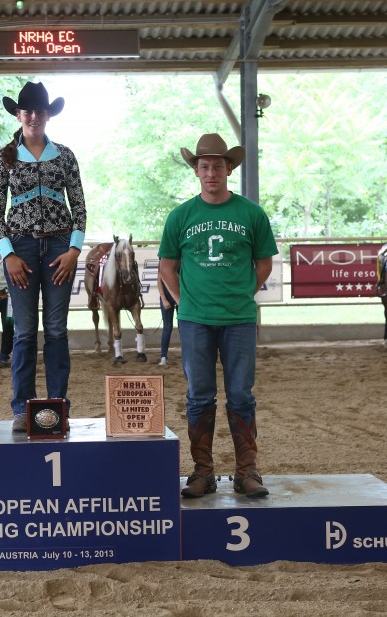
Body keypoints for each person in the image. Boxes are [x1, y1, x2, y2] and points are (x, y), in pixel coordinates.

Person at [158, 133, 278, 499]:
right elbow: (167, 266)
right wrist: (184, 301)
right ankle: (202, 472)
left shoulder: (251, 214)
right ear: (196, 171)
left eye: (218, 166)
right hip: (196, 320)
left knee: (241, 395)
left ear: (229, 169)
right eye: (205, 166)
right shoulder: (180, 216)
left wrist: (242, 293)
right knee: (199, 396)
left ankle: (247, 471)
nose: (212, 172)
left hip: (239, 318)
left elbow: (264, 263)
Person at [0, 81, 87, 432]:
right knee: (25, 331)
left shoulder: (65, 155)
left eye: (40, 111)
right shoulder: (5, 156)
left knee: (57, 330)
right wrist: (8, 255)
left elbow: (78, 205)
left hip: (60, 248)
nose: (33, 117)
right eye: (27, 111)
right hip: (22, 250)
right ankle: (23, 407)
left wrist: (74, 250)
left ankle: (58, 404)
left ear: (48, 115)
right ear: (18, 115)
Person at [157, 277, 176, 367]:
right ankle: (163, 356)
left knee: (183, 328)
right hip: (167, 297)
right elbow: (159, 279)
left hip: (181, 296)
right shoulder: (163, 262)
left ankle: (187, 356)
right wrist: (164, 299)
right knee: (167, 328)